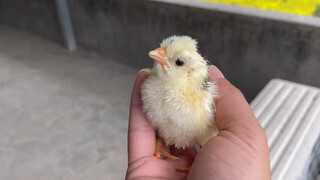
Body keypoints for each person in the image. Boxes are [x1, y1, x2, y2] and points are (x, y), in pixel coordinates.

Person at [126, 66, 271, 180]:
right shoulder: (153, 84)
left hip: (200, 136)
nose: (158, 54)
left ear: (190, 71)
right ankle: (161, 141)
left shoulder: (201, 92)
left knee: (205, 134)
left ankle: (196, 160)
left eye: (178, 62)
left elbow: (207, 132)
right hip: (166, 132)